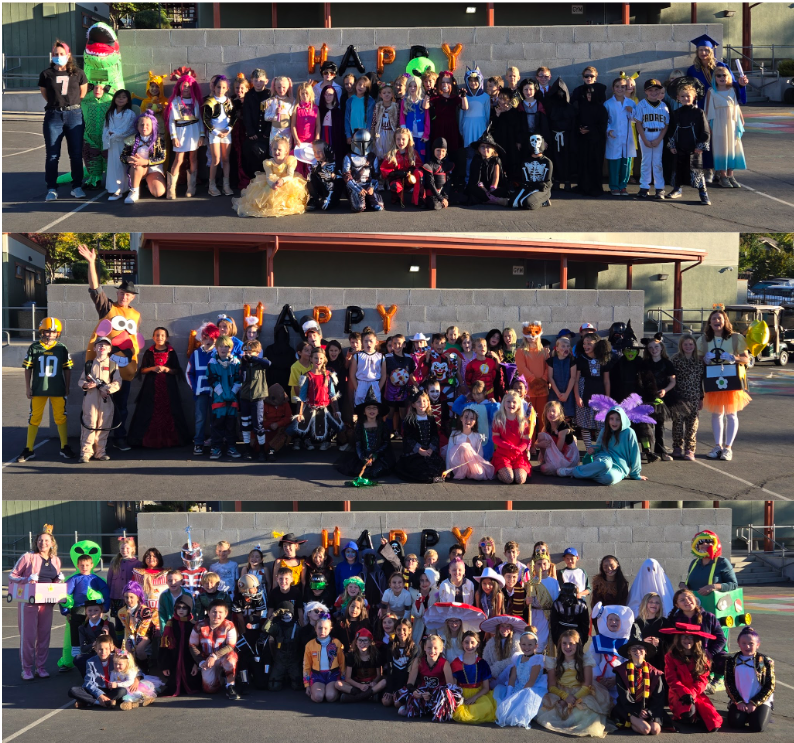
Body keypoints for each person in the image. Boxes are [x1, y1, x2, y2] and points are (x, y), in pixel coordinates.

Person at [77, 243, 142, 452]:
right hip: (101, 366)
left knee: (121, 406)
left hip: (123, 368)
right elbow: (95, 289)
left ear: (133, 297)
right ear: (119, 293)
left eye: (129, 294)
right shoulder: (107, 307)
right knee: (96, 406)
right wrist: (91, 263)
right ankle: (93, 443)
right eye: (122, 292)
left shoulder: (136, 315)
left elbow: (133, 340)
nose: (125, 296)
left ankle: (119, 438)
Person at [9, 527, 65, 679]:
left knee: (44, 636)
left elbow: (53, 581)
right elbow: (12, 576)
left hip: (47, 602)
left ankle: (41, 667)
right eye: (40, 540)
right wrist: (27, 579)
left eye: (46, 540)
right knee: (28, 636)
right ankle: (26, 668)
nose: (43, 543)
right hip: (29, 602)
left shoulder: (56, 560)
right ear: (36, 542)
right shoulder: (28, 557)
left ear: (52, 543)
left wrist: (58, 580)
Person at [536, 629, 615, 737]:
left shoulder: (585, 660)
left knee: (584, 713)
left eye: (571, 644)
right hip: (560, 692)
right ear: (560, 644)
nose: (567, 647)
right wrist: (564, 697)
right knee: (545, 711)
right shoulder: (553, 662)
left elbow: (587, 685)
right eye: (564, 643)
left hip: (581, 692)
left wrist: (573, 699)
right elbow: (552, 686)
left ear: (577, 645)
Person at [17, 317, 75, 462]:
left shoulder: (61, 348)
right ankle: (29, 449)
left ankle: (64, 446)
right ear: (41, 331)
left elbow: (67, 369)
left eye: (53, 332)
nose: (50, 334)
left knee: (61, 417)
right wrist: (27, 387)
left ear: (58, 333)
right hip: (38, 388)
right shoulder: (34, 347)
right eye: (47, 331)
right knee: (34, 418)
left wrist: (67, 387)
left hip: (57, 388)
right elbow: (28, 368)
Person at [697, 308, 751, 460]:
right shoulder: (704, 339)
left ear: (725, 321)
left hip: (731, 378)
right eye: (713, 319)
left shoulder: (735, 338)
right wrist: (704, 359)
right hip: (713, 378)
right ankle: (717, 446)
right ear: (709, 322)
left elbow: (746, 359)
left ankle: (728, 448)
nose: (716, 321)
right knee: (717, 414)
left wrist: (734, 357)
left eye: (719, 318)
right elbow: (698, 357)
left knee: (731, 414)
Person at [39, 40, 87, 201]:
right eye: (55, 54)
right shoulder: (46, 74)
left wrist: (69, 106)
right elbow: (45, 94)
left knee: (75, 153)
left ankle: (77, 186)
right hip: (53, 116)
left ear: (68, 55)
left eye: (61, 54)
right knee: (52, 155)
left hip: (74, 115)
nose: (58, 57)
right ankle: (51, 188)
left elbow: (82, 94)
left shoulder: (78, 73)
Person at [127, 327, 189, 449]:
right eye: (157, 335)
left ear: (166, 338)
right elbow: (143, 370)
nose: (159, 337)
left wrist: (166, 369)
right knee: (148, 411)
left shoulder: (171, 352)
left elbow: (176, 370)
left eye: (162, 335)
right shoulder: (149, 352)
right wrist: (152, 368)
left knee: (171, 410)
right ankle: (147, 440)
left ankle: (172, 439)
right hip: (151, 388)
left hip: (168, 388)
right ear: (153, 337)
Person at [559, 404, 647, 486]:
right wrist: (593, 449)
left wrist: (635, 474)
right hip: (604, 459)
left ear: (623, 419)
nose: (614, 422)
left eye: (617, 419)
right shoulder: (605, 430)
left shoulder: (629, 432)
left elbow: (634, 454)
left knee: (610, 478)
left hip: (620, 467)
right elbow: (598, 447)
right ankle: (573, 471)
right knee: (605, 464)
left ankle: (588, 472)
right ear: (608, 419)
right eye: (611, 418)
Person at [661, 623, 722, 731]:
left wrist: (692, 694)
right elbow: (671, 679)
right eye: (684, 636)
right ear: (678, 639)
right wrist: (685, 693)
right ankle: (690, 716)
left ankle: (697, 715)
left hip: (696, 692)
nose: (687, 639)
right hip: (678, 693)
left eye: (690, 637)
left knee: (714, 724)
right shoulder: (670, 656)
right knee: (687, 713)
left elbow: (703, 680)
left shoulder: (702, 657)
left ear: (696, 639)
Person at [233, 135, 309, 218]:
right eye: (274, 149)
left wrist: (282, 180)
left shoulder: (290, 160)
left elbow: (290, 176)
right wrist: (272, 184)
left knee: (291, 195)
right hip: (272, 182)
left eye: (280, 150)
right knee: (267, 194)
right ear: (271, 149)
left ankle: (283, 205)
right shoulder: (268, 163)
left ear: (286, 151)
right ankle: (271, 204)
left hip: (286, 182)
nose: (276, 152)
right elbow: (268, 176)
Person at [289, 346, 343, 451]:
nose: (318, 361)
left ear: (324, 360)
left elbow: (332, 394)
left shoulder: (328, 375)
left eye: (321, 358)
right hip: (310, 408)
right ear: (311, 359)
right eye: (316, 358)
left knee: (340, 426)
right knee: (293, 428)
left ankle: (328, 441)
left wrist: (336, 410)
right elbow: (302, 397)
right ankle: (272, 449)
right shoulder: (307, 376)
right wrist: (299, 413)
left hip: (325, 409)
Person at [335, 387, 395, 480]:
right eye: (369, 408)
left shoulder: (383, 425)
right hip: (363, 453)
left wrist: (375, 454)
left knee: (377, 470)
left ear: (378, 411)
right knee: (358, 469)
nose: (372, 410)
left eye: (374, 408)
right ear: (364, 411)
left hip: (378, 454)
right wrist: (363, 457)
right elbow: (358, 443)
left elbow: (386, 442)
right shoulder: (360, 425)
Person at [667, 82, 711, 204]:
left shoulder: (699, 113)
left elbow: (705, 131)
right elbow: (671, 131)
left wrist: (700, 146)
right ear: (678, 98)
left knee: (696, 170)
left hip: (694, 148)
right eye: (683, 96)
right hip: (680, 146)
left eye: (688, 96)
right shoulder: (675, 114)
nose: (685, 98)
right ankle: (677, 189)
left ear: (694, 97)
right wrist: (672, 145)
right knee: (678, 169)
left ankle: (703, 193)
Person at [724, 626, 775, 732]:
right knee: (735, 724)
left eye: (751, 643)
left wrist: (754, 702)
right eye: (743, 643)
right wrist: (738, 701)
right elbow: (729, 683)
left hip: (760, 700)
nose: (747, 646)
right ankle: (743, 713)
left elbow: (770, 685)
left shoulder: (765, 661)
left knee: (757, 727)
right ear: (738, 643)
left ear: (757, 645)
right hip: (740, 700)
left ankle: (763, 711)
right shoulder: (732, 661)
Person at [398, 633, 459, 720]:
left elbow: (451, 687)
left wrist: (432, 695)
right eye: (429, 648)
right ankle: (417, 707)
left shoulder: (444, 663)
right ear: (424, 648)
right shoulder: (418, 661)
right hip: (423, 691)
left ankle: (433, 710)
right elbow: (410, 683)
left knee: (444, 695)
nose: (432, 651)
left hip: (438, 694)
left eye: (435, 648)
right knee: (404, 696)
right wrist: (415, 691)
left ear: (441, 649)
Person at [611, 638, 665, 735]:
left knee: (655, 730)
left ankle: (644, 720)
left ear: (646, 652)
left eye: (641, 648)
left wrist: (649, 712)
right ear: (629, 652)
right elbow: (624, 695)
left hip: (649, 708)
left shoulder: (654, 672)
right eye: (633, 649)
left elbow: (658, 696)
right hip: (629, 708)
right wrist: (637, 711)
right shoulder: (621, 671)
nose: (637, 651)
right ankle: (631, 722)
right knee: (645, 729)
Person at [189, 599, 241, 699]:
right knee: (209, 689)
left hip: (222, 657)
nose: (217, 615)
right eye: (214, 612)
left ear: (226, 613)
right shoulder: (199, 625)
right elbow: (192, 645)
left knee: (231, 657)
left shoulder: (229, 625)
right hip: (207, 659)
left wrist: (214, 656)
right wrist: (200, 662)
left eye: (220, 612)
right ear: (208, 612)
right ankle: (221, 678)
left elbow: (231, 646)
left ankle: (230, 686)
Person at [495, 629, 547, 728]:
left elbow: (531, 681)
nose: (526, 647)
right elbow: (513, 677)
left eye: (530, 645)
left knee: (517, 711)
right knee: (501, 695)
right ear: (520, 644)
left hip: (530, 689)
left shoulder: (537, 659)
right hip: (519, 686)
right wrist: (509, 693)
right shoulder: (518, 658)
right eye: (523, 644)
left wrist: (518, 697)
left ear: (536, 646)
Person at [165, 70, 204, 199]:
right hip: (180, 133)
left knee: (193, 159)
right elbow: (171, 121)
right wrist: (174, 136)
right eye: (184, 85)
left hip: (193, 132)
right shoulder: (175, 102)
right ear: (179, 86)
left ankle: (191, 187)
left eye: (188, 86)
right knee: (178, 159)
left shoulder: (196, 101)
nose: (186, 88)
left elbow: (199, 120)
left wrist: (202, 135)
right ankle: (171, 189)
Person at [394, 387, 446, 483]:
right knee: (418, 469)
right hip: (416, 453)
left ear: (428, 403)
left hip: (429, 451)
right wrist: (419, 450)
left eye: (424, 401)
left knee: (437, 466)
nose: (422, 404)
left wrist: (431, 448)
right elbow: (408, 438)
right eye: (418, 402)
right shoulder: (410, 421)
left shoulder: (431, 418)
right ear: (413, 405)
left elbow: (435, 435)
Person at [705, 66, 746, 188]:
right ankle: (722, 176)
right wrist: (708, 126)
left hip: (732, 123)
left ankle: (730, 175)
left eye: (724, 75)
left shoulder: (732, 89)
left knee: (732, 148)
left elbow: (736, 106)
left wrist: (741, 119)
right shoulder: (711, 91)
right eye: (719, 75)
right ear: (715, 78)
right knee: (721, 148)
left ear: (728, 77)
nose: (722, 78)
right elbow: (708, 110)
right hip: (718, 123)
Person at [186, 321, 220, 455]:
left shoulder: (219, 353)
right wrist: (194, 388)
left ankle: (214, 443)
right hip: (200, 392)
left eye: (212, 338)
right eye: (205, 336)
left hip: (215, 393)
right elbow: (189, 373)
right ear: (201, 337)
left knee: (215, 418)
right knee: (200, 418)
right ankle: (198, 443)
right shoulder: (196, 354)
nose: (208, 340)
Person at [68, 634, 129, 708]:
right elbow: (89, 682)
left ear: (111, 648)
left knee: (122, 691)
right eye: (100, 649)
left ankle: (89, 701)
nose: (103, 652)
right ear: (95, 648)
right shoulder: (90, 662)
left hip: (112, 689)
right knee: (73, 690)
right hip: (96, 689)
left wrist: (136, 679)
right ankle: (101, 702)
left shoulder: (115, 659)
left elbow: (130, 665)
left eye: (106, 649)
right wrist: (100, 695)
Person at [206, 335, 242, 459]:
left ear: (231, 348)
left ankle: (231, 447)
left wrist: (232, 393)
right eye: (221, 346)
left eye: (226, 346)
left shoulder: (236, 363)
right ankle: (216, 448)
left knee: (231, 425)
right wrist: (222, 393)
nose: (223, 349)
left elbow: (239, 379)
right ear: (216, 348)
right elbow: (212, 379)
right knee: (217, 425)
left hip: (232, 400)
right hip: (218, 400)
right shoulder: (212, 363)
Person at [120, 110, 168, 203]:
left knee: (158, 192)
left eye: (147, 125)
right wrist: (128, 159)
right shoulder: (131, 139)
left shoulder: (158, 139)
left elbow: (162, 157)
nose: (144, 127)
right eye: (141, 125)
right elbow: (123, 156)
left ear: (153, 126)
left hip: (153, 169)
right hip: (137, 168)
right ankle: (134, 191)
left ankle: (147, 182)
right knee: (136, 166)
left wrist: (145, 162)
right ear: (137, 126)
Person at [633, 79, 669, 199]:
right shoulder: (642, 104)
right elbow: (638, 123)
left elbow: (666, 125)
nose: (653, 92)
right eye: (650, 90)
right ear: (645, 91)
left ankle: (659, 188)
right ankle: (644, 187)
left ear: (660, 91)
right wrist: (644, 139)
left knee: (657, 162)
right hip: (646, 133)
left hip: (659, 134)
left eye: (656, 90)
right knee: (646, 162)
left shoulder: (663, 106)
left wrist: (659, 139)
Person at [451, 631, 497, 724]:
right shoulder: (456, 662)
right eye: (466, 642)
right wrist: (460, 697)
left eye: (472, 642)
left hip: (478, 693)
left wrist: (474, 698)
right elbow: (453, 685)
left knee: (485, 707)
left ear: (478, 644)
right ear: (462, 643)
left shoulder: (482, 663)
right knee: (459, 711)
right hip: (462, 693)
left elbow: (486, 687)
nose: (469, 645)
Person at [202, 75, 237, 196]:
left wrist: (229, 129)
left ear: (227, 88)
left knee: (226, 159)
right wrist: (216, 132)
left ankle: (226, 185)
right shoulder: (209, 101)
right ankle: (212, 186)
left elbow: (234, 116)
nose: (220, 90)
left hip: (226, 133)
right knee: (216, 159)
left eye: (223, 87)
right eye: (218, 87)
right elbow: (206, 120)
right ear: (214, 87)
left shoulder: (229, 101)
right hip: (214, 133)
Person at [159, 595, 200, 696]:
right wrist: (165, 666)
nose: (181, 610)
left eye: (184, 607)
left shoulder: (193, 624)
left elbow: (198, 646)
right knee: (173, 684)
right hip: (174, 660)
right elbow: (164, 647)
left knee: (193, 684)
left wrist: (196, 664)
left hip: (189, 661)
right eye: (178, 607)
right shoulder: (170, 624)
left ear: (189, 609)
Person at [671, 334, 703, 460]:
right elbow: (671, 378)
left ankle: (690, 449)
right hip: (679, 397)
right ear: (681, 346)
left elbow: (701, 381)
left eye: (691, 344)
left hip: (694, 397)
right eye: (685, 344)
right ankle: (677, 447)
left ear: (694, 345)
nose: (688, 346)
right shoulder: (675, 359)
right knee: (677, 424)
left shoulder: (699, 361)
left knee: (692, 424)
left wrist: (701, 398)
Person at [574, 83, 608, 197]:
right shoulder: (583, 106)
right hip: (584, 140)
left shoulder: (601, 109)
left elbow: (602, 126)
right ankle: (583, 186)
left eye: (591, 93)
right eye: (587, 93)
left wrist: (590, 130)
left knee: (595, 164)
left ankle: (594, 188)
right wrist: (580, 128)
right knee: (583, 163)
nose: (589, 96)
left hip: (596, 142)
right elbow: (578, 120)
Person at [491, 390, 532, 485]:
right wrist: (508, 446)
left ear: (518, 405)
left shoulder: (523, 421)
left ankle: (516, 470)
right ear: (504, 403)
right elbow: (495, 438)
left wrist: (519, 449)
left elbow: (526, 440)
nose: (511, 404)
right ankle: (499, 472)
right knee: (509, 478)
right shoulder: (498, 419)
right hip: (503, 454)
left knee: (520, 479)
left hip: (518, 455)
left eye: (514, 402)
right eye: (508, 401)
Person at [102, 88, 136, 200]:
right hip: (112, 142)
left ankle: (120, 189)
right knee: (113, 166)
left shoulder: (129, 113)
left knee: (121, 165)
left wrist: (115, 133)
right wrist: (108, 134)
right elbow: (106, 127)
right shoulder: (110, 112)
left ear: (128, 100)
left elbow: (129, 129)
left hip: (123, 143)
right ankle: (114, 187)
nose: (121, 99)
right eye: (118, 97)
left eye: (124, 97)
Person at [604, 77, 636, 196]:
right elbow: (604, 120)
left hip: (627, 138)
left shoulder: (631, 103)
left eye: (622, 87)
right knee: (614, 162)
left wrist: (631, 111)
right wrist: (609, 130)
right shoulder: (608, 104)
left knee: (626, 163)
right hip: (614, 136)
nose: (620, 89)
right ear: (613, 88)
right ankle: (614, 186)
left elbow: (636, 119)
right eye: (617, 86)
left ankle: (623, 186)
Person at [304, 612, 346, 702]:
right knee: (318, 697)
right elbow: (306, 665)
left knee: (330, 697)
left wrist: (343, 678)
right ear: (315, 628)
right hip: (317, 675)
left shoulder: (337, 643)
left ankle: (333, 691)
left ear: (330, 629)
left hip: (333, 674)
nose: (322, 631)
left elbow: (342, 662)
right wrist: (307, 684)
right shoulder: (310, 645)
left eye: (325, 628)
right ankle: (315, 690)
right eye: (319, 628)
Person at [445, 408, 495, 480]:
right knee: (464, 446)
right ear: (461, 418)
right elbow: (449, 451)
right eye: (466, 417)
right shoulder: (455, 434)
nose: (468, 420)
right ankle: (463, 472)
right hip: (458, 465)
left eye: (472, 418)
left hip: (472, 463)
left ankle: (470, 472)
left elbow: (479, 453)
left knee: (479, 475)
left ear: (475, 422)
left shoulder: (477, 436)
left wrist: (478, 465)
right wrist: (448, 469)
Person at [117, 581, 156, 671]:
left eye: (132, 597)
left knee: (139, 649)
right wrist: (128, 642)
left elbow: (143, 630)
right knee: (127, 651)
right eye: (126, 597)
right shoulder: (121, 612)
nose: (129, 600)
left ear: (138, 597)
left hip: (145, 634)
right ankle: (132, 670)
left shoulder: (145, 611)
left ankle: (145, 668)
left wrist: (135, 643)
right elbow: (127, 628)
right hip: (130, 634)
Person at [240, 68, 272, 181]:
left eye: (261, 80)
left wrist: (267, 132)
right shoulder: (249, 95)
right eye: (256, 80)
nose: (258, 83)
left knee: (265, 158)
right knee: (251, 157)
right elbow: (247, 114)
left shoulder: (269, 94)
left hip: (265, 134)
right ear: (252, 81)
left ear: (266, 81)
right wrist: (250, 131)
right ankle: (253, 180)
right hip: (253, 134)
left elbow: (272, 115)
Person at [536, 401, 579, 476]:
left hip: (566, 456)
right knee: (542, 435)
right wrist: (540, 444)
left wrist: (546, 445)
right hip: (555, 453)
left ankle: (567, 469)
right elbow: (536, 443)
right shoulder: (547, 426)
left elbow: (558, 450)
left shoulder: (563, 427)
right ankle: (546, 462)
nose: (551, 413)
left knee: (544, 469)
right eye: (548, 411)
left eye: (553, 411)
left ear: (559, 414)